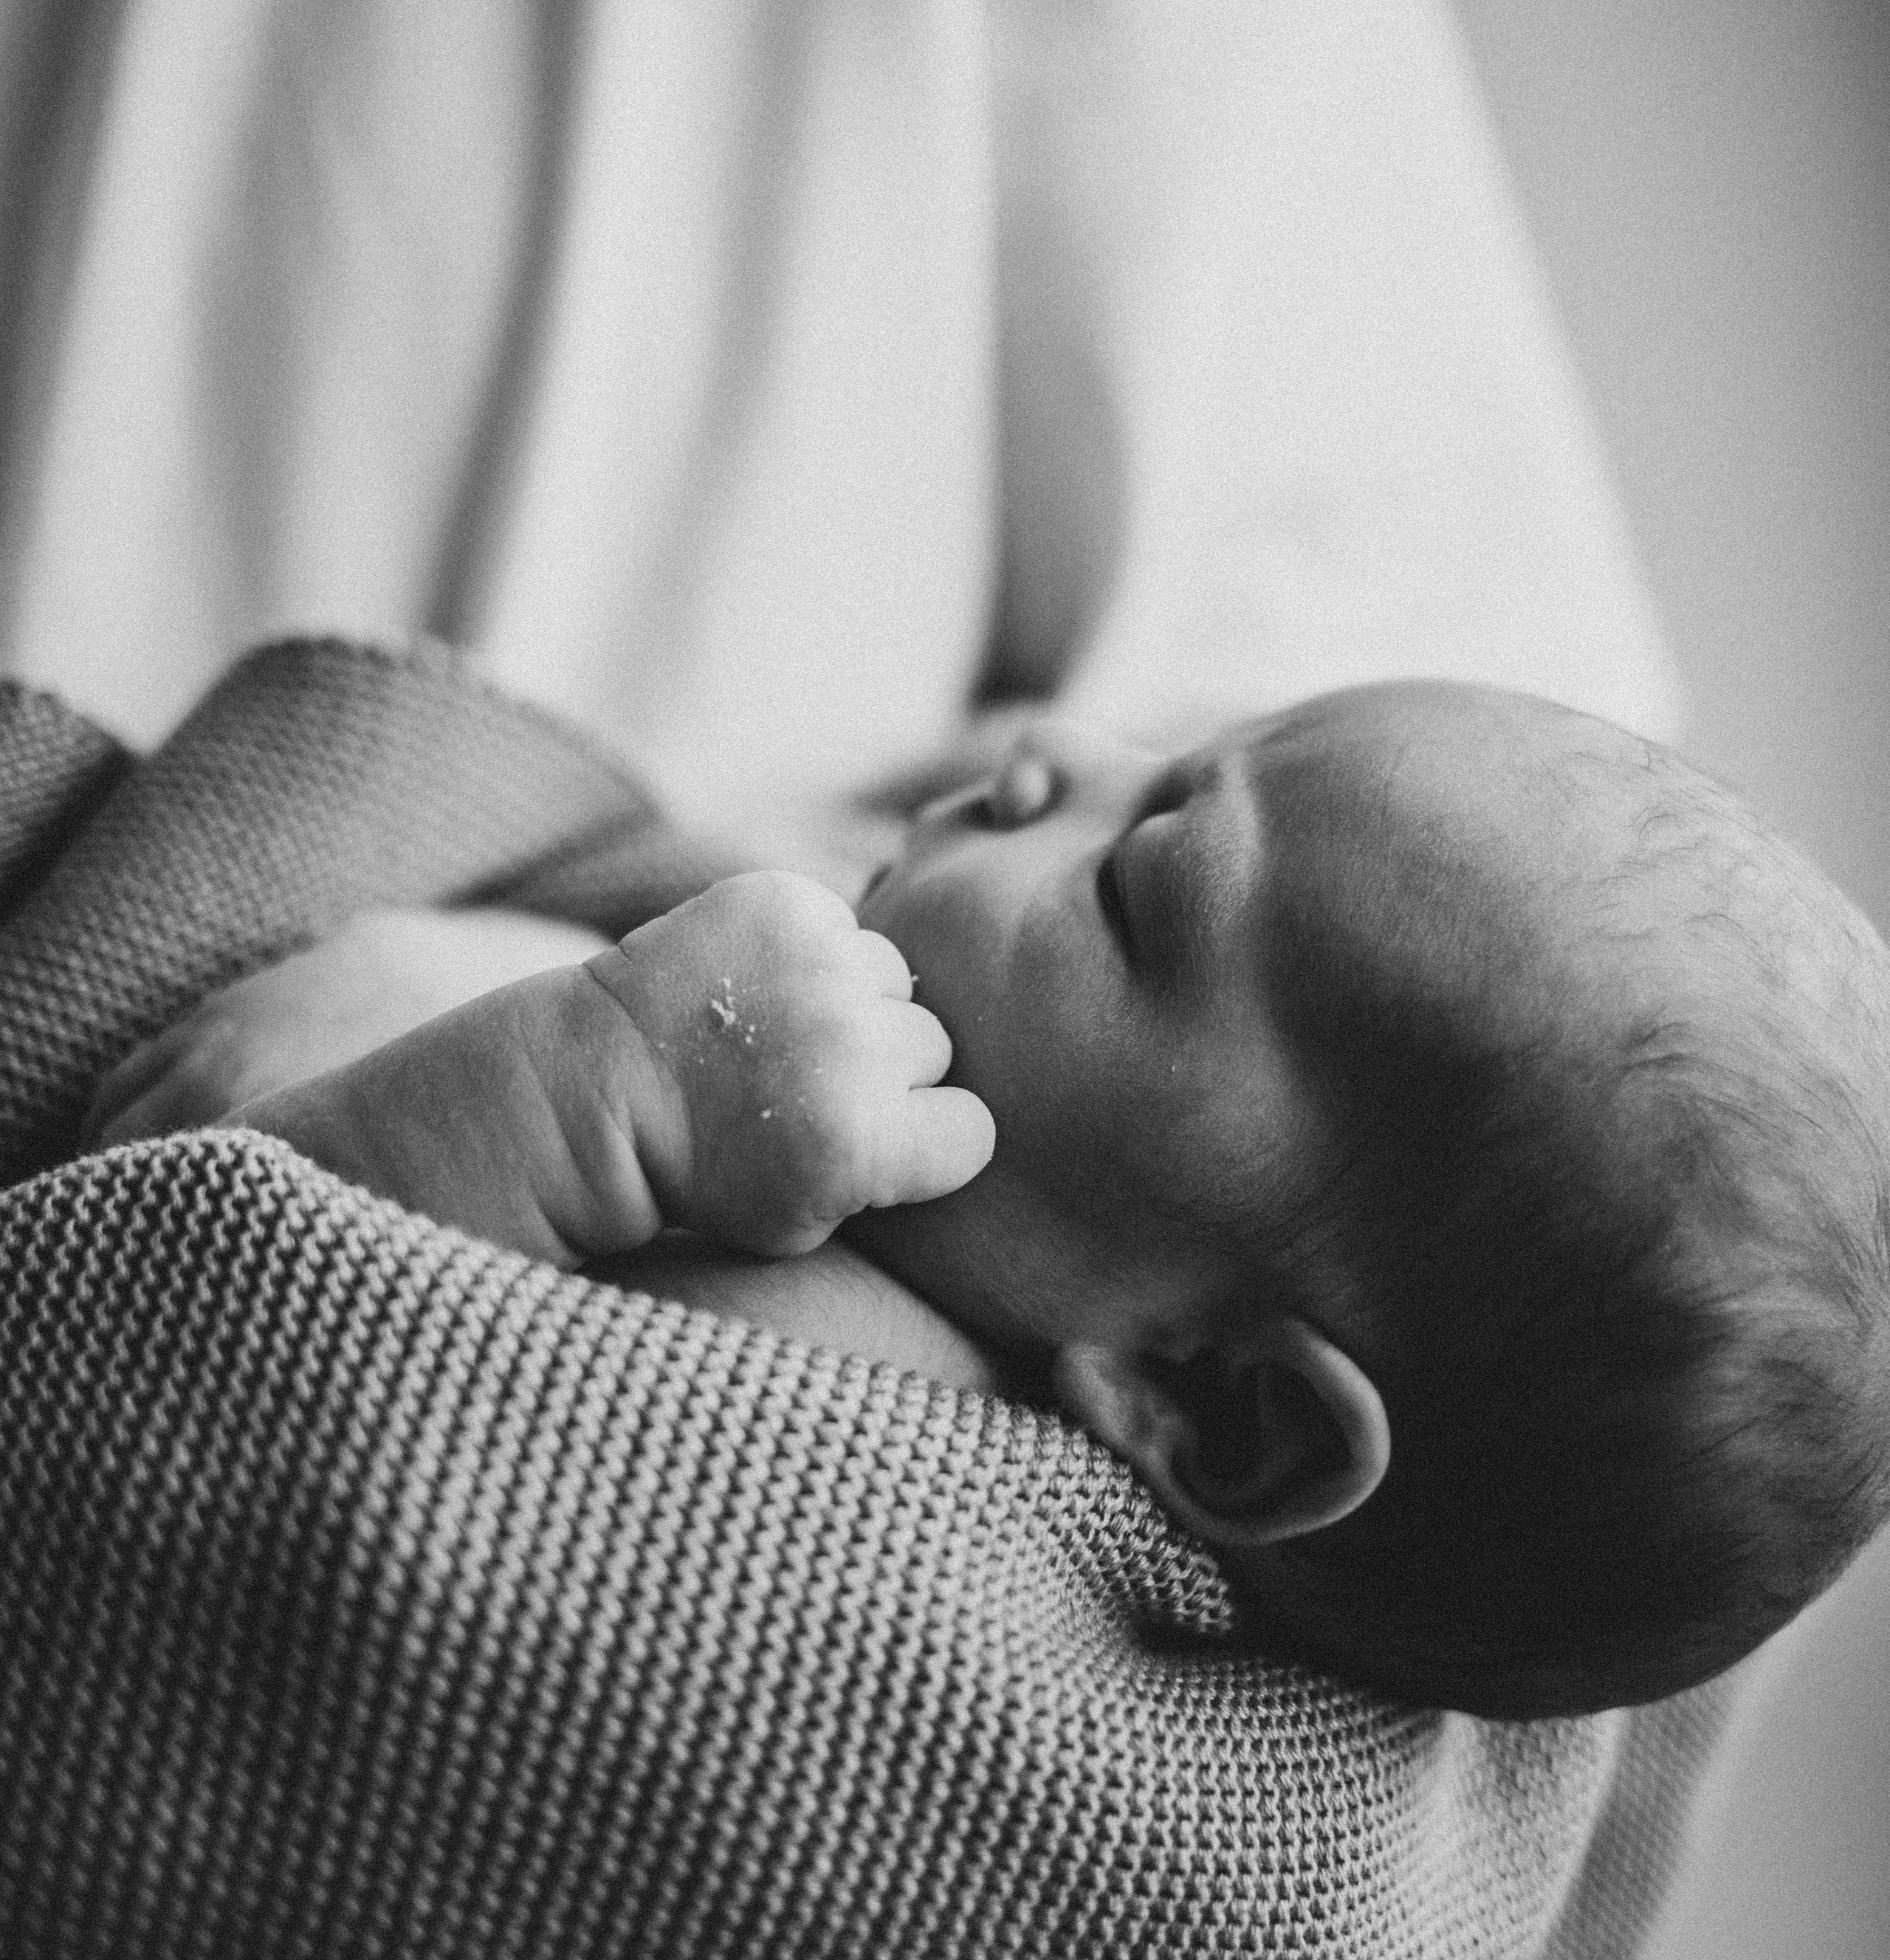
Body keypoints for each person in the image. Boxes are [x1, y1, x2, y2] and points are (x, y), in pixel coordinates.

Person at [97, 678, 1890, 1721]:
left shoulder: (796, 1424)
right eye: (1170, 749)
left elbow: (178, 1378)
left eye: (1131, 872)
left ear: (1219, 1402)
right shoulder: (998, 1227)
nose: (1045, 749)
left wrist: (595, 1083)